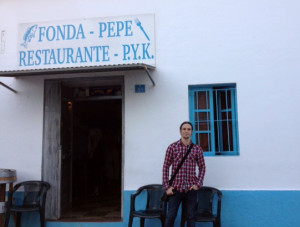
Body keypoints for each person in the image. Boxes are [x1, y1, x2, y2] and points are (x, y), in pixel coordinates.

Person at [162, 121, 206, 227]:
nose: (186, 131)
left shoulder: (197, 149)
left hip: (191, 189)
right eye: (184, 129)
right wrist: (167, 187)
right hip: (175, 189)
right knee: (171, 217)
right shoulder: (172, 147)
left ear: (192, 132)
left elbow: (202, 167)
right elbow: (165, 167)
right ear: (180, 131)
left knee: (191, 217)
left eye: (189, 129)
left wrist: (198, 184)